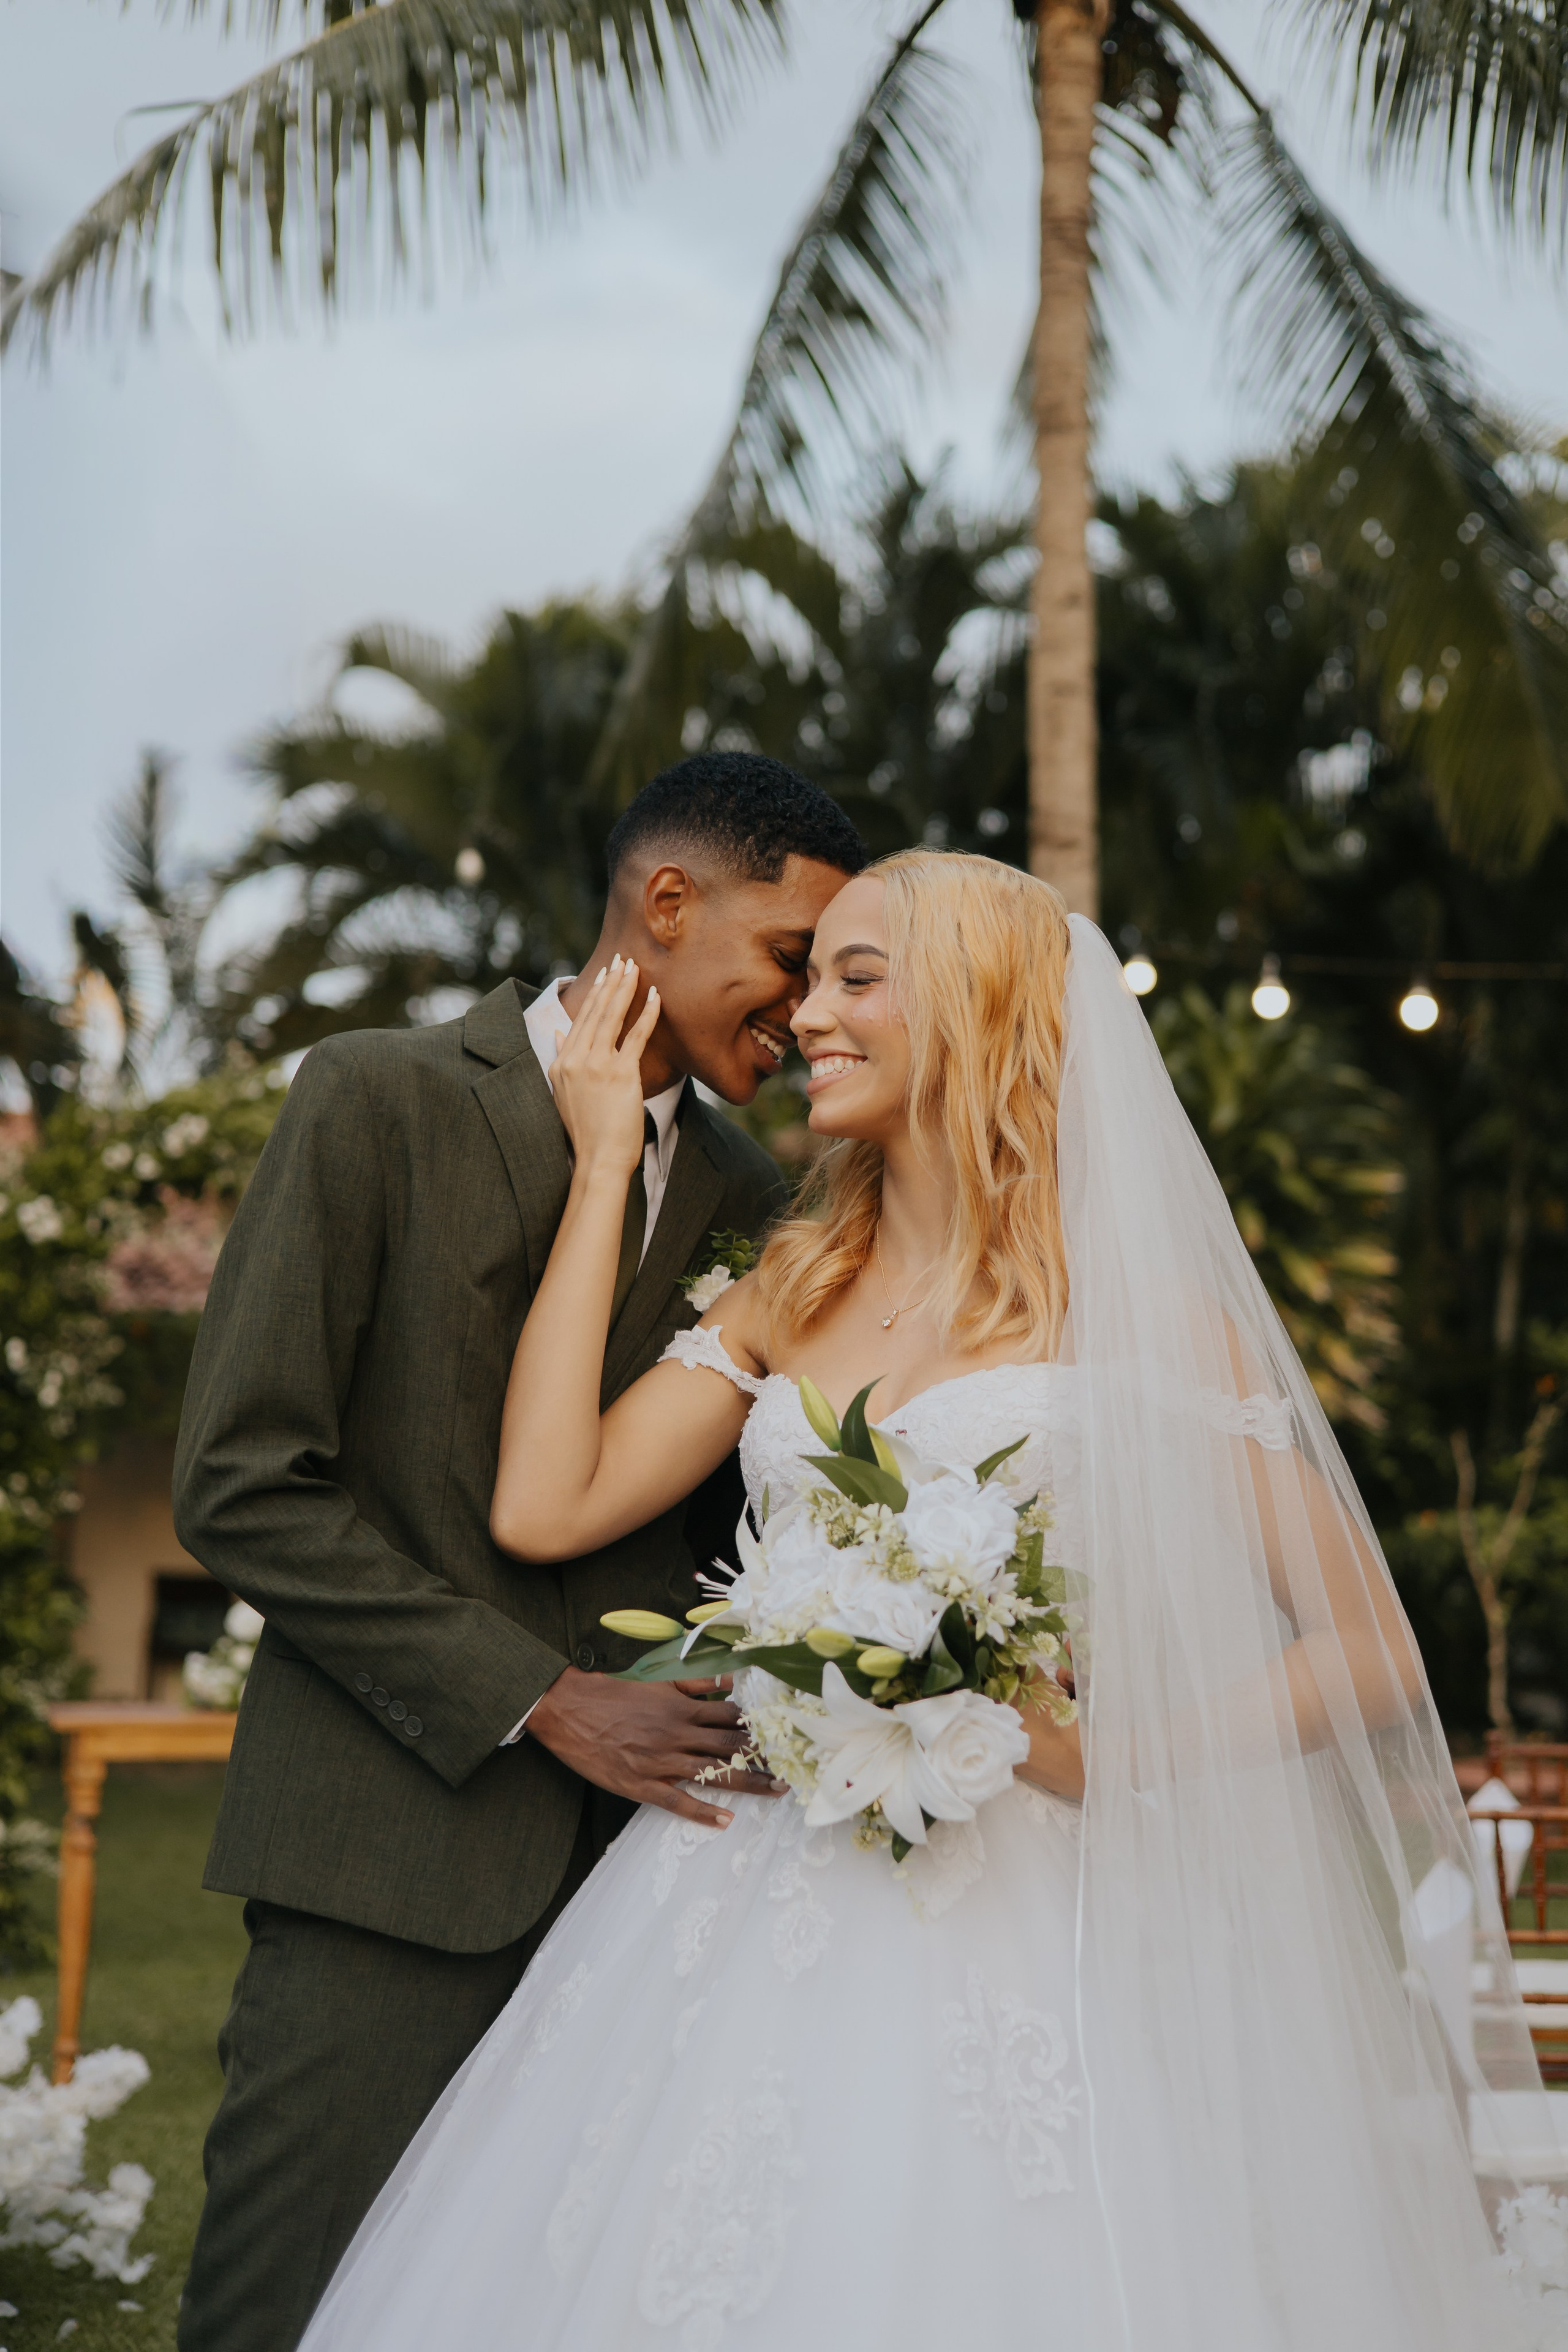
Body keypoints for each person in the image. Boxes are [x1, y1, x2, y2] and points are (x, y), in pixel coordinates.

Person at [296, 847, 1559, 2352]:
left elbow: (1369, 1652)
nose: (802, 1017)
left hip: (1033, 1902)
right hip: (741, 1888)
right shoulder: (789, 1286)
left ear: (971, 1003)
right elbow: (543, 1500)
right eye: (806, 972)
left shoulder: (1138, 1308)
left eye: (853, 976)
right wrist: (596, 1171)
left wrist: (1086, 1750)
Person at [170, 752, 867, 2352]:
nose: (804, 1008)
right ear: (669, 902)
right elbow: (244, 1483)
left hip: (659, 1893)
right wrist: (540, 1696)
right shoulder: (376, 1096)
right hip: (385, 1864)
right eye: (790, 959)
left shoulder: (768, 1206)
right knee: (285, 2311)